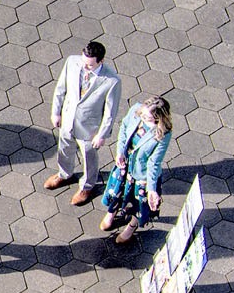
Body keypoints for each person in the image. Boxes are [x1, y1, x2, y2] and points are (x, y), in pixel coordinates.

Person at [46, 41, 122, 206]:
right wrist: (56, 112)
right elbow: (61, 88)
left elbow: (110, 112)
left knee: (89, 157)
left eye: (89, 65)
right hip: (68, 119)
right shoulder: (72, 62)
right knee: (64, 148)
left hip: (90, 129)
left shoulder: (112, 81)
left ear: (100, 61)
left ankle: (87, 186)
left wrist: (102, 135)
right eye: (83, 62)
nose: (84, 67)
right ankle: (64, 174)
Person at [100, 96, 173, 244]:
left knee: (138, 202)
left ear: (158, 118)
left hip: (141, 175)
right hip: (125, 165)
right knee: (116, 191)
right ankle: (111, 212)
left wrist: (151, 189)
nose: (142, 118)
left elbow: (154, 162)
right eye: (142, 115)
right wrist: (120, 151)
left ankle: (132, 225)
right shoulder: (136, 110)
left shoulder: (163, 134)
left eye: (147, 118)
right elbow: (124, 128)